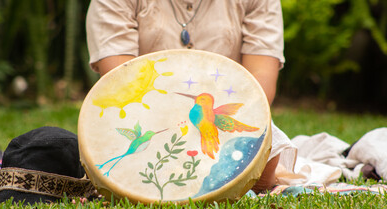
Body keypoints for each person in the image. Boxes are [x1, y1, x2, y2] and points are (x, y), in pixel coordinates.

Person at [85, 0, 296, 193]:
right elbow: (122, 83)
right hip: (148, 118)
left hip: (218, 128)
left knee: (267, 157)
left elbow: (258, 91)